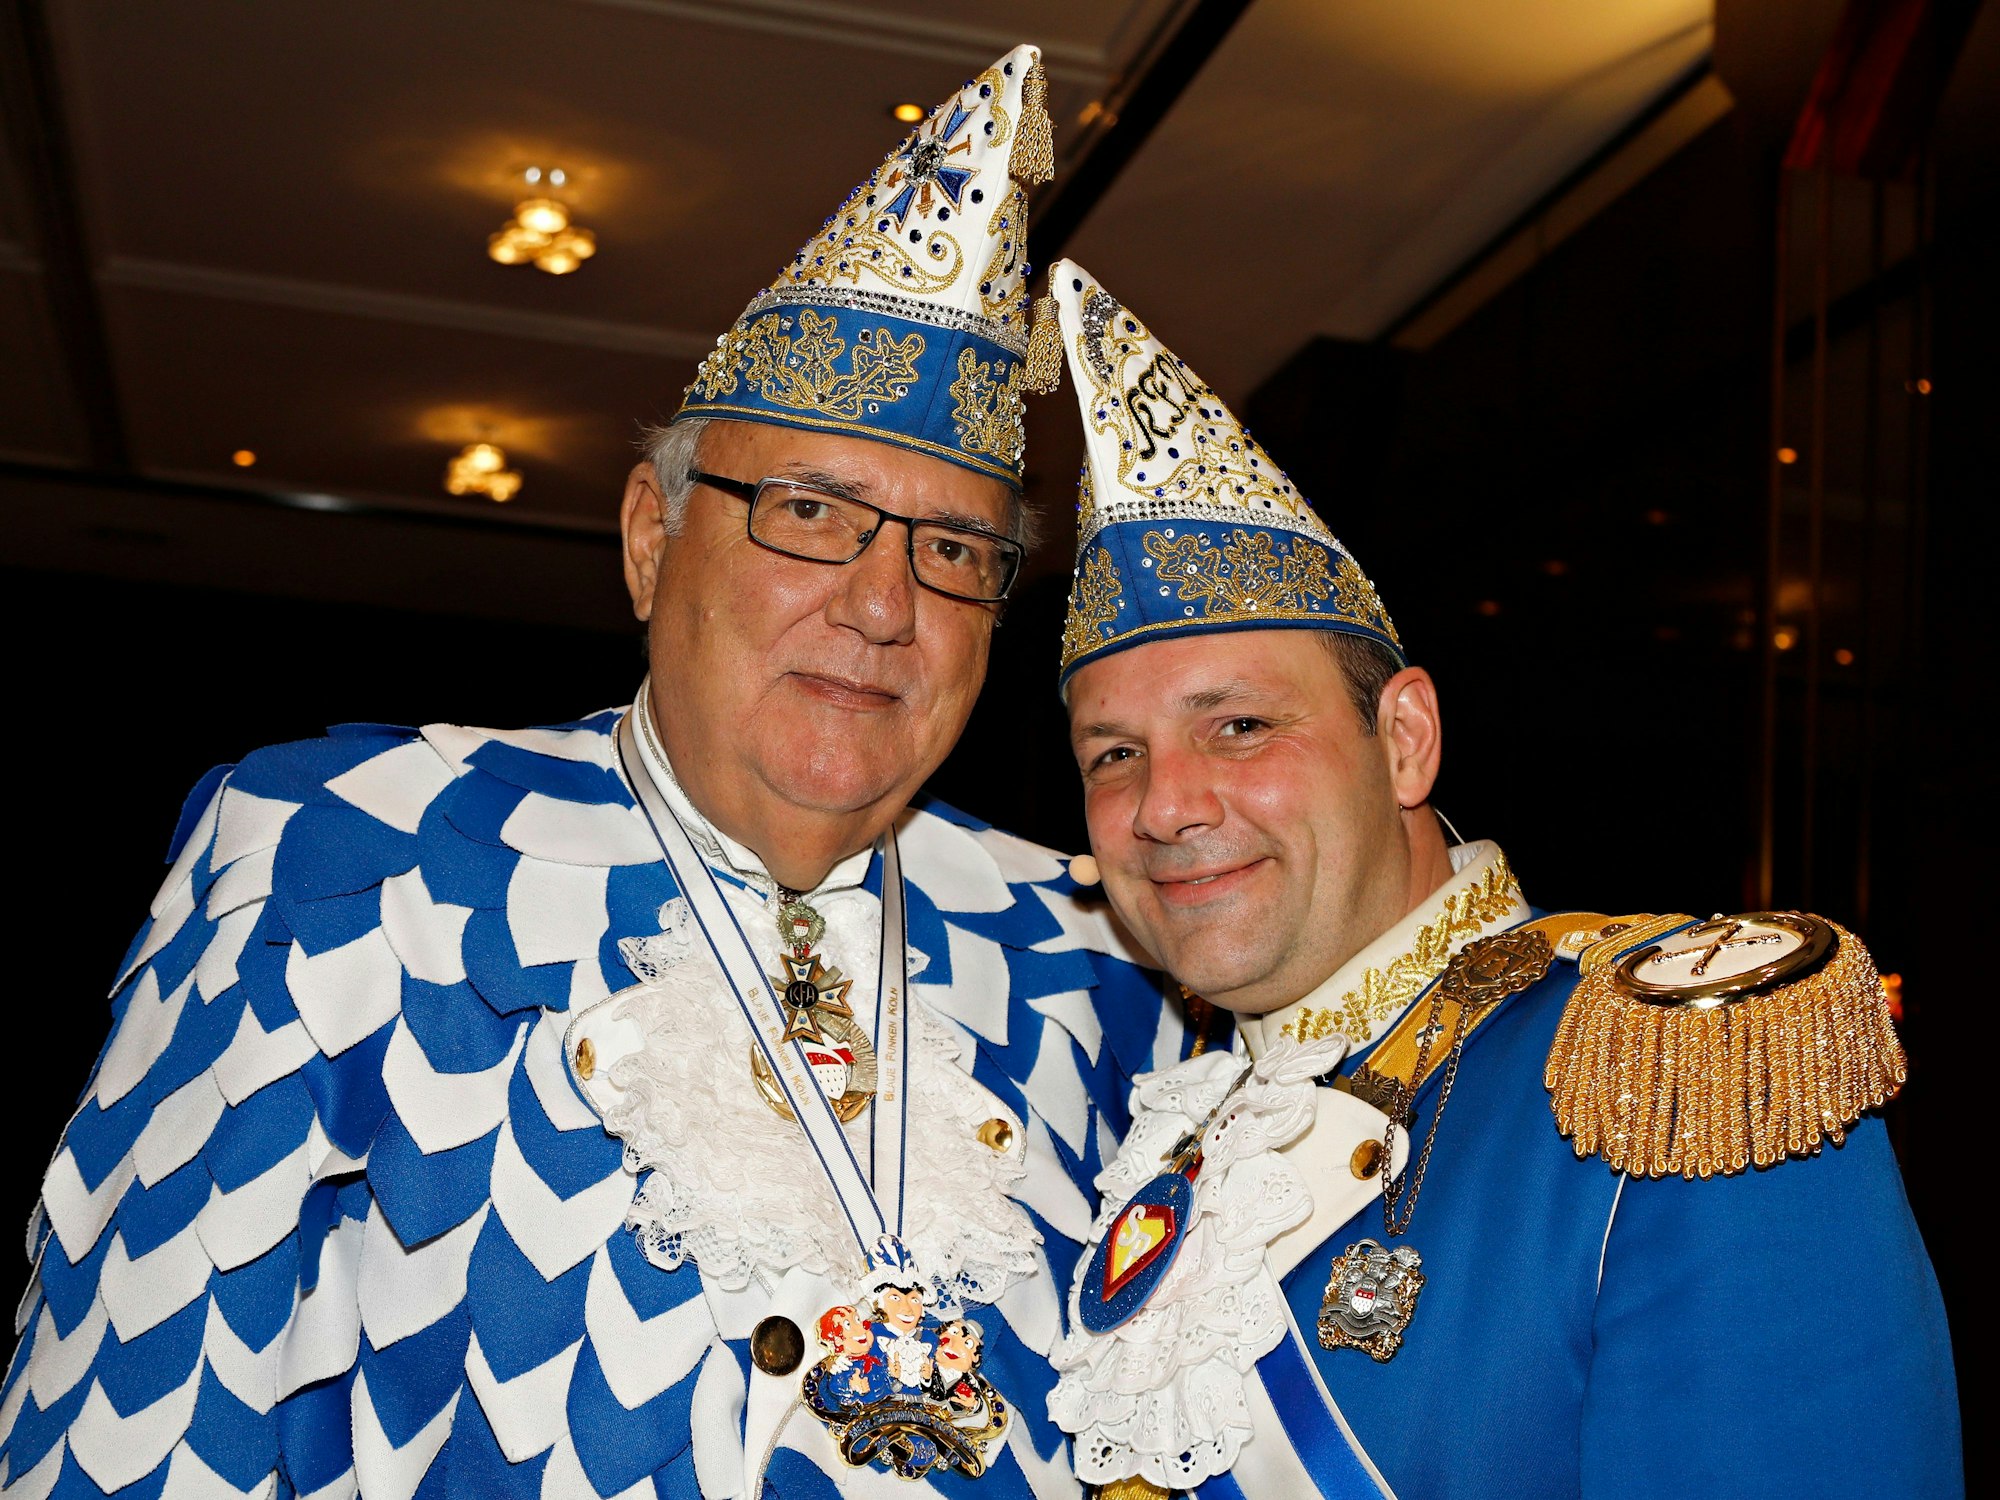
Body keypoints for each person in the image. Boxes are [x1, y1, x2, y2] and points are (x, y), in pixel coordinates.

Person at [0, 61, 1186, 1500]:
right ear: (648, 537)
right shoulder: (347, 856)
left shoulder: (1094, 952)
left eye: (953, 551)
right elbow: (138, 1409)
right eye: (809, 513)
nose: (885, 605)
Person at [1039, 259, 1962, 1498]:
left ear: (1405, 739)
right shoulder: (1163, 1129)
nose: (1164, 805)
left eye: (1240, 727)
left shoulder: (1671, 1062)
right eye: (1114, 754)